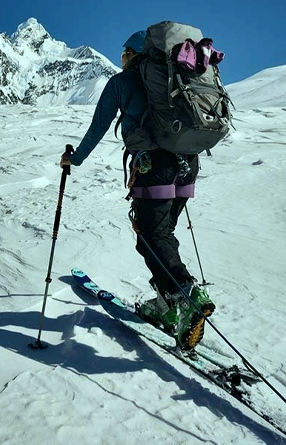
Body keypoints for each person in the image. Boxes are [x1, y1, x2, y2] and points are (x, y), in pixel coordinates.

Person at [60, 28, 215, 351]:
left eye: (124, 54)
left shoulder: (122, 82)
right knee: (158, 236)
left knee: (151, 235)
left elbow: (97, 129)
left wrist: (73, 160)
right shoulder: (173, 77)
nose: (122, 59)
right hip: (188, 166)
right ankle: (165, 303)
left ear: (132, 54)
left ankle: (186, 295)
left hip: (154, 168)